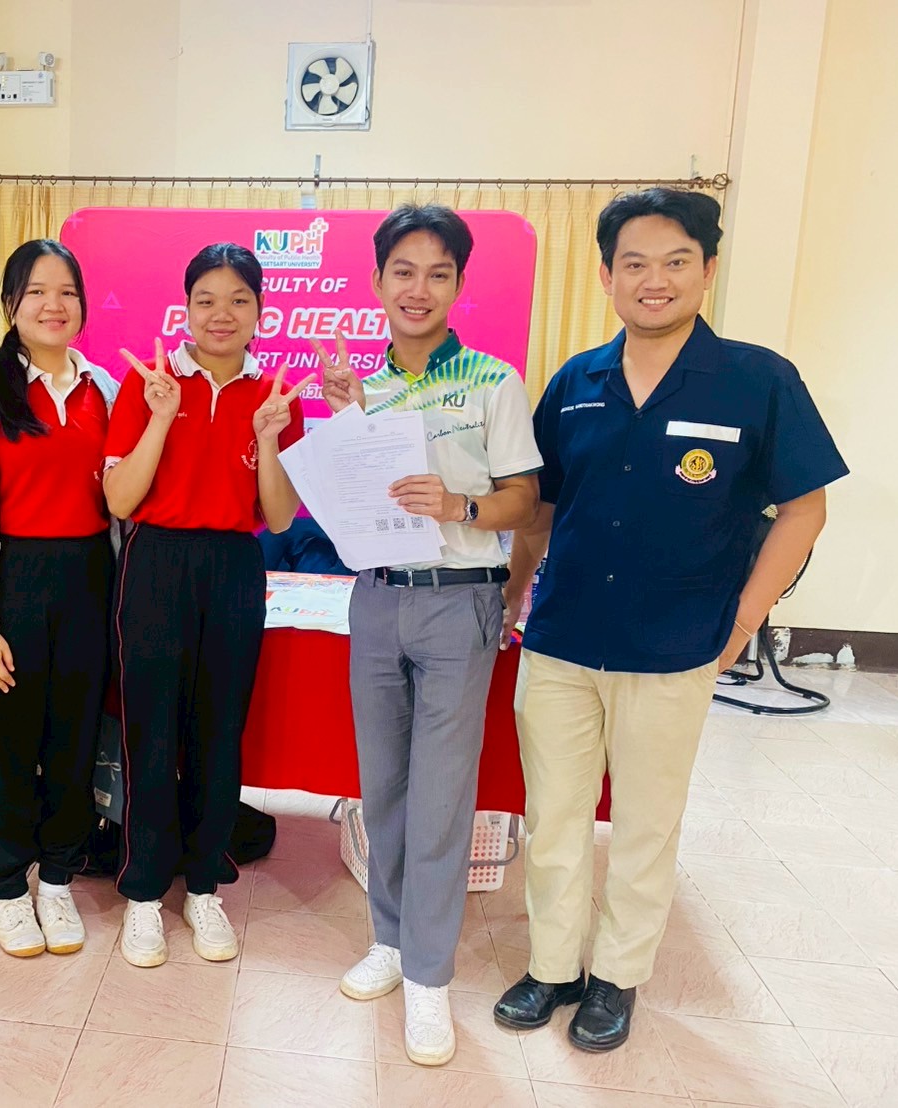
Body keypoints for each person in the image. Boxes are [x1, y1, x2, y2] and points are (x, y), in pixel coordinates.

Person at [492, 189, 847, 1052]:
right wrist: (515, 589)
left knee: (645, 823)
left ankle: (615, 978)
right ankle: (551, 967)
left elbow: (803, 509)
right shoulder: (575, 381)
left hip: (674, 643)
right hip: (563, 637)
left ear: (707, 270)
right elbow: (541, 508)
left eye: (675, 261)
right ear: (606, 276)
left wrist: (743, 620)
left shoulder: (757, 380)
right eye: (634, 264)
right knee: (554, 816)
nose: (654, 280)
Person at [317, 205, 542, 1066]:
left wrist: (458, 505)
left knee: (443, 796)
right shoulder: (358, 386)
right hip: (376, 599)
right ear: (377, 282)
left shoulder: (492, 381)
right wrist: (343, 422)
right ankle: (388, 938)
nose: (418, 289)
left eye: (436, 273)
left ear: (457, 285)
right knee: (382, 787)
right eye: (402, 272)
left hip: (459, 602)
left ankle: (427, 977)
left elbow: (523, 499)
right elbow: (345, 502)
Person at [103, 242, 312, 969]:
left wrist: (268, 439)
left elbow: (278, 517)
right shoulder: (150, 383)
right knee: (151, 730)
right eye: (206, 300)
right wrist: (161, 417)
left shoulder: (276, 397)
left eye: (238, 300)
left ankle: (202, 886)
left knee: (219, 732)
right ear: (185, 308)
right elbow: (119, 499)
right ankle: (142, 891)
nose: (222, 315)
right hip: (155, 560)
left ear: (260, 311)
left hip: (232, 566)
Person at [0, 239, 120, 958]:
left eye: (66, 291)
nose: (52, 305)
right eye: (36, 291)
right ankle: (8, 886)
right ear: (11, 303)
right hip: (8, 584)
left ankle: (58, 878)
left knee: (74, 740)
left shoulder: (105, 392)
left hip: (87, 581)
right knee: (4, 745)